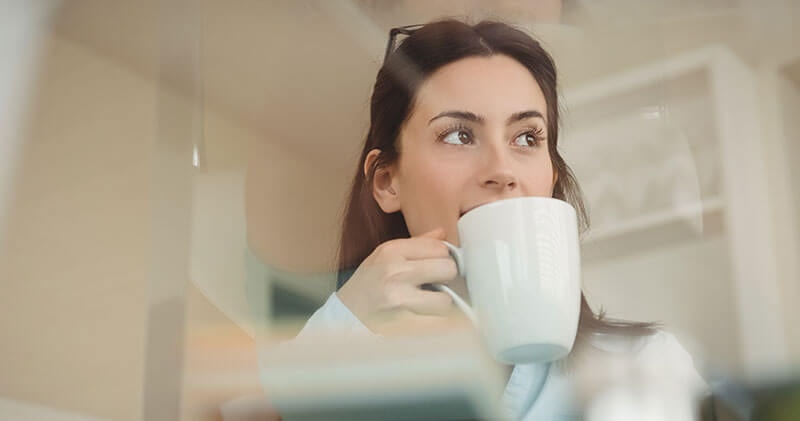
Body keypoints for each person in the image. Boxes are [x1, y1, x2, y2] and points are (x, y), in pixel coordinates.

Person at [282, 19, 706, 419]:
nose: (502, 170)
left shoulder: (646, 367)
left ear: (551, 176)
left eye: (526, 138)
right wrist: (343, 328)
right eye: (459, 135)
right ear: (388, 181)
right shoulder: (346, 376)